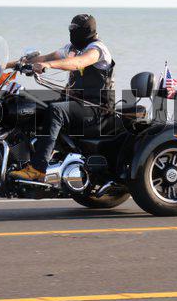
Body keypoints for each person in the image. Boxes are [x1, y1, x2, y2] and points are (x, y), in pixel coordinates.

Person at [8, 14, 115, 181]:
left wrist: (48, 65)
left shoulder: (97, 49)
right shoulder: (72, 48)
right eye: (70, 29)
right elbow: (45, 57)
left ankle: (38, 168)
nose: (72, 32)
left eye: (75, 29)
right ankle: (20, 160)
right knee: (31, 106)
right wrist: (8, 65)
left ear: (87, 30)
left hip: (96, 108)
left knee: (56, 110)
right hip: (75, 103)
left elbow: (78, 63)